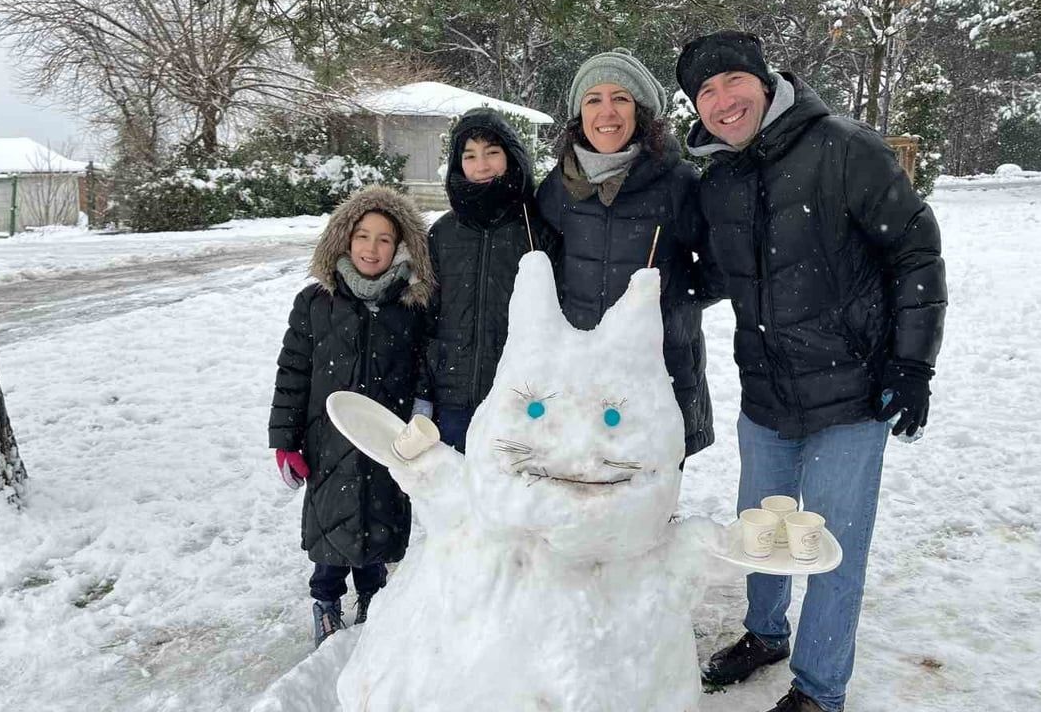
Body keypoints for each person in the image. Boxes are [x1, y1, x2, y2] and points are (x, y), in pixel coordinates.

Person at [676, 31, 947, 712]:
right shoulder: (720, 180)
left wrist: (913, 365)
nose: (721, 101)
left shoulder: (844, 148)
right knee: (758, 533)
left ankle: (820, 689)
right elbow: (717, 274)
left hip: (853, 395)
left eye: (731, 81)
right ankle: (764, 633)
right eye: (704, 92)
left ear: (765, 82)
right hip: (766, 394)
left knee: (830, 547)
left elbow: (915, 254)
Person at [268, 185, 435, 648]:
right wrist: (285, 440)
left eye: (385, 239)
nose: (372, 248)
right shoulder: (315, 304)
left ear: (400, 246)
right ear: (343, 239)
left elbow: (426, 365)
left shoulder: (410, 308)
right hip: (327, 441)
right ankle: (325, 600)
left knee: (378, 518)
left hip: (385, 438)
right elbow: (293, 372)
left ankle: (372, 597)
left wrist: (422, 409)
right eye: (363, 235)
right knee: (331, 524)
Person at [537, 47, 718, 460]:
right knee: (584, 490)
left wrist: (673, 299)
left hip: (657, 366)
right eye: (593, 99)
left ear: (640, 111)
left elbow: (720, 266)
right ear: (578, 114)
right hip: (582, 368)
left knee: (650, 501)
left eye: (620, 98)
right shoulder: (559, 186)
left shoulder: (677, 182)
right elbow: (540, 261)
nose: (607, 112)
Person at [425, 108, 559, 451]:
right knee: (455, 496)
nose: (481, 166)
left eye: (492, 153)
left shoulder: (536, 229)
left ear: (512, 157)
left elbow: (558, 318)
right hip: (452, 399)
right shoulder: (443, 233)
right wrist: (423, 393)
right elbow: (425, 318)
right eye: (469, 155)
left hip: (519, 398)